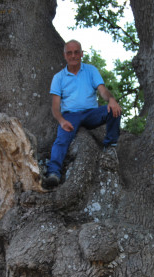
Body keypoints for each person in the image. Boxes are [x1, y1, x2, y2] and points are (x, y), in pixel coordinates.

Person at [45, 39, 121, 187]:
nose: (73, 56)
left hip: (91, 113)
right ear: (65, 55)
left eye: (76, 52)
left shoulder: (91, 70)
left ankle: (110, 145)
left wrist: (111, 100)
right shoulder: (58, 78)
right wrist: (61, 121)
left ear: (81, 54)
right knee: (61, 139)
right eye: (69, 53)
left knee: (114, 110)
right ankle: (53, 173)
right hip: (70, 116)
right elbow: (55, 106)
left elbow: (103, 91)